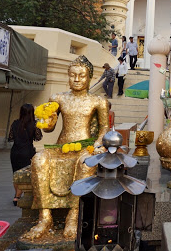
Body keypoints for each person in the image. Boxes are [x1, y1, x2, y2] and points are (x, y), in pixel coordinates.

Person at [23, 56, 109, 240]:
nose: (77, 80)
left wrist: (98, 143)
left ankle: (73, 215)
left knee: (86, 162)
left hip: (85, 146)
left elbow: (104, 128)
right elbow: (49, 128)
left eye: (81, 76)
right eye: (72, 75)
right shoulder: (58, 98)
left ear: (90, 77)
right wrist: (48, 122)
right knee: (38, 159)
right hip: (61, 147)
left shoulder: (97, 101)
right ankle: (44, 217)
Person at [8, 104, 42, 206]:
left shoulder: (15, 123)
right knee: (26, 174)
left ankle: (16, 196)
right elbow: (38, 137)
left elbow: (11, 138)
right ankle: (18, 197)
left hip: (15, 151)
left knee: (16, 174)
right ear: (31, 113)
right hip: (27, 152)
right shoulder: (34, 124)